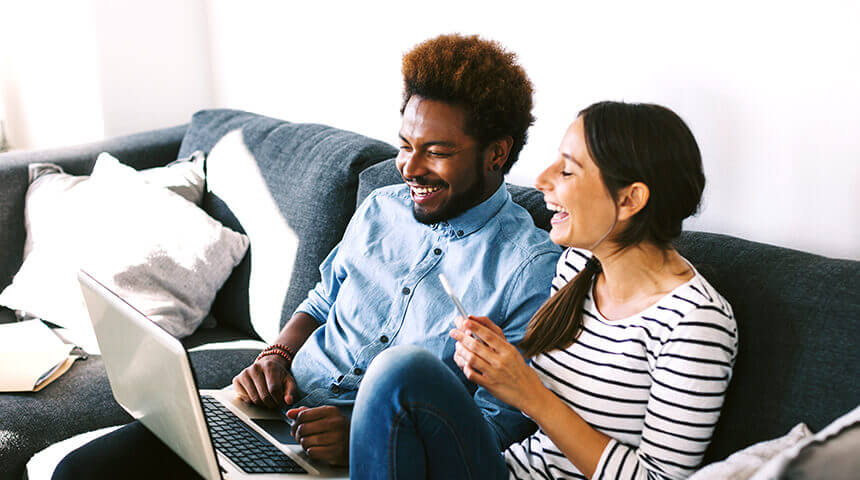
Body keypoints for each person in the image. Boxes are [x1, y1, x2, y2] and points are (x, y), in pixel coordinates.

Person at [53, 34, 560, 478]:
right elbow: (321, 301)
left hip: (363, 458)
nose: (409, 166)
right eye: (406, 144)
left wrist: (369, 436)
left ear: (496, 153)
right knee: (82, 470)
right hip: (272, 413)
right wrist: (275, 355)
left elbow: (493, 433)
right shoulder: (382, 208)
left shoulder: (528, 270)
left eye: (437, 151)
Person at [350, 101, 738, 480]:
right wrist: (498, 360)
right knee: (403, 374)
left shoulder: (695, 323)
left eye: (567, 172)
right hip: (508, 469)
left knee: (399, 371)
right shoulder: (576, 267)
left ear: (630, 198)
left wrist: (529, 393)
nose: (542, 180)